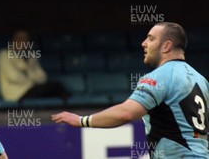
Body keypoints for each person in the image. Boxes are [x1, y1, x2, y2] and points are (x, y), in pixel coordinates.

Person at [52, 22, 209, 158]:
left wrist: (82, 121)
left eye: (151, 38)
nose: (144, 43)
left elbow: (126, 113)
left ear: (166, 46)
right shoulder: (201, 80)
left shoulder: (159, 77)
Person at [0, 28, 69, 102]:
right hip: (15, 94)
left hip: (33, 89)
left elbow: (43, 77)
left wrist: (26, 73)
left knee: (57, 88)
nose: (21, 41)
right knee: (55, 88)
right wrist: (32, 77)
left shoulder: (31, 56)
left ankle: (71, 107)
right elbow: (14, 77)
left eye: (24, 39)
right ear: (13, 40)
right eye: (18, 38)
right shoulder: (4, 54)